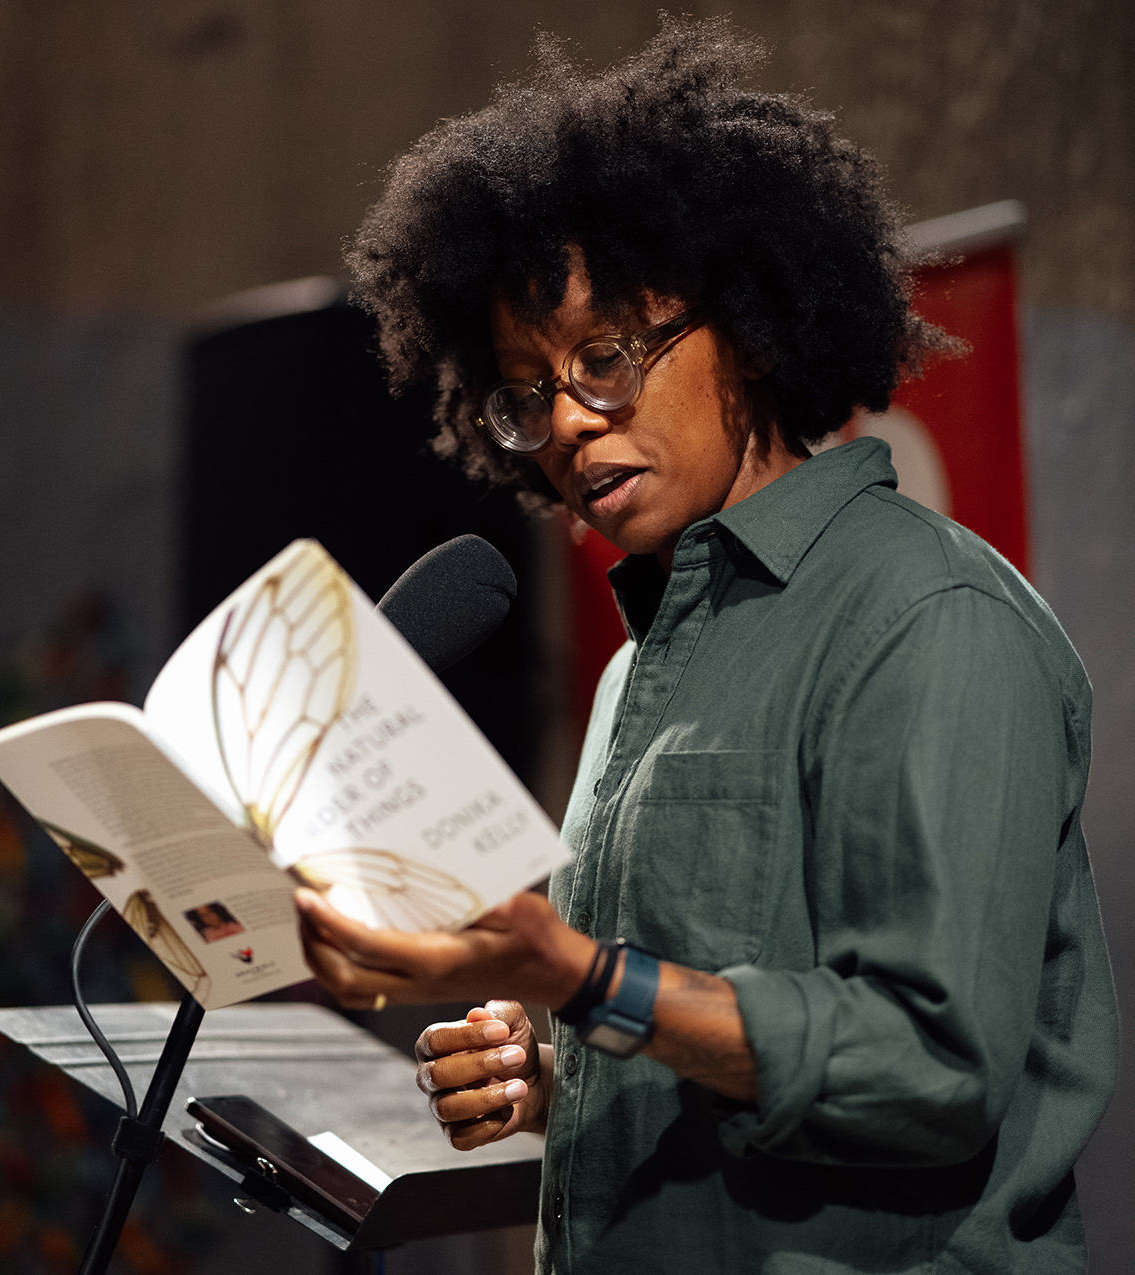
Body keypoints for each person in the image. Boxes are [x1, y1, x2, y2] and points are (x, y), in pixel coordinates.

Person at [294, 18, 1118, 1274]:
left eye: (606, 357)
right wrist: (551, 1084)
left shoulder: (925, 620)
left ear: (747, 326)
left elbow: (930, 1067)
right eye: (526, 390)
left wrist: (582, 981)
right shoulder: (638, 671)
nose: (567, 421)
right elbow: (692, 1038)